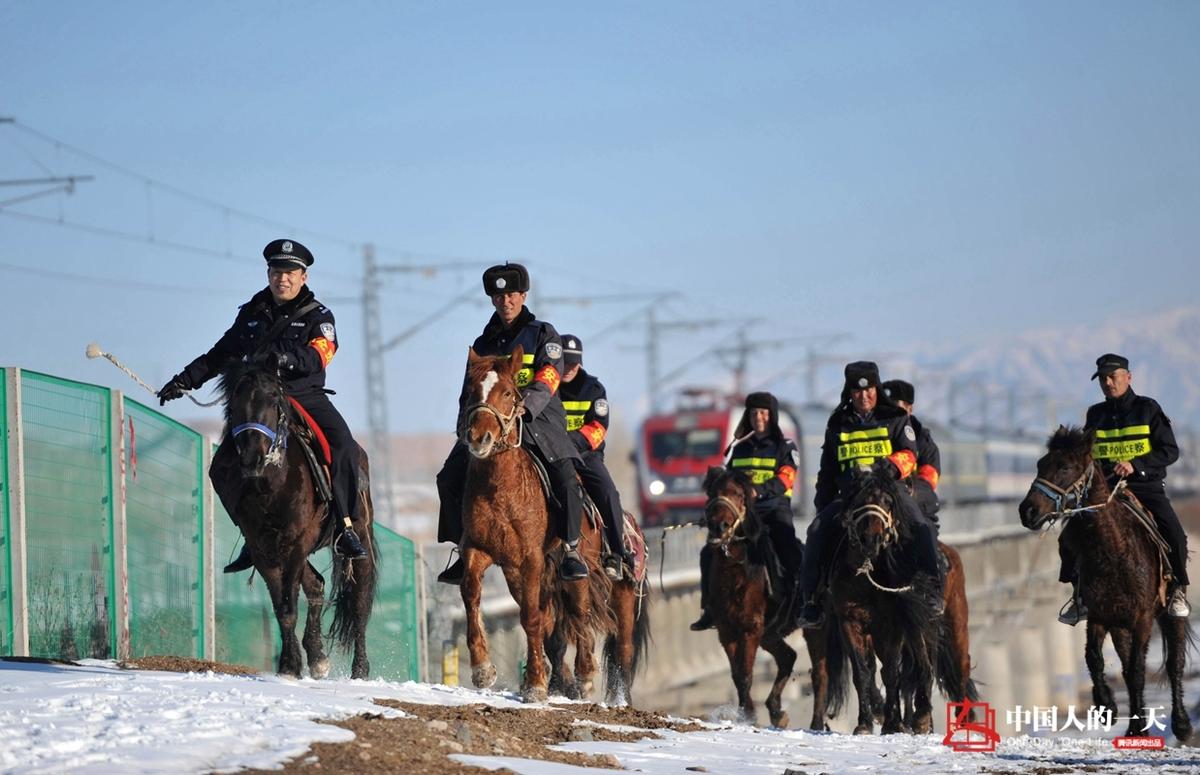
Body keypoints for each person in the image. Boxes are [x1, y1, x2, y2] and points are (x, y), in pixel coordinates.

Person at [157, 239, 367, 571]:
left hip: (302, 396)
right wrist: (184, 380)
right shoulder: (252, 313)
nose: (282, 278)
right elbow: (221, 353)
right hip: (258, 402)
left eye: (289, 272)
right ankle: (251, 536)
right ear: (268, 274)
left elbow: (323, 352)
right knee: (221, 466)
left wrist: (286, 358)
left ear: (303, 277)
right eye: (276, 271)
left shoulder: (318, 315)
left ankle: (345, 526)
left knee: (343, 446)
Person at [435, 262, 588, 584]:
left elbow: (549, 376)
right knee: (448, 477)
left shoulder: (544, 334)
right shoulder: (482, 343)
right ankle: (462, 550)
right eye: (499, 296)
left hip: (538, 418)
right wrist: (466, 425)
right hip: (492, 420)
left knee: (566, 476)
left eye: (512, 295)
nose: (506, 301)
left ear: (523, 296)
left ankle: (571, 548)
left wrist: (526, 406)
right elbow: (469, 391)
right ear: (492, 300)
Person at [796, 361, 942, 629]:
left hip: (889, 492)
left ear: (876, 389)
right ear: (849, 393)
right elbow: (827, 471)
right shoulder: (838, 425)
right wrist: (823, 506)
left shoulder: (897, 419)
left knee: (921, 526)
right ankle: (811, 601)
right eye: (857, 391)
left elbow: (909, 456)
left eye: (869, 390)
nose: (864, 396)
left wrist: (886, 468)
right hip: (851, 496)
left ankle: (932, 590)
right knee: (816, 531)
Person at [1058, 353, 1190, 625]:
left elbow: (1170, 451)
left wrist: (1136, 465)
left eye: (1113, 377)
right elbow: (1087, 456)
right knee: (1068, 536)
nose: (1108, 383)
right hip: (1106, 493)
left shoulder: (1148, 409)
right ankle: (1079, 596)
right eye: (1103, 379)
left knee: (1175, 534)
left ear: (1128, 377)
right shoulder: (1095, 414)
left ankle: (1177, 590)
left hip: (1146, 487)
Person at [691, 391, 803, 631]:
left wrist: (758, 491)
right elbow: (729, 480)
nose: (758, 418)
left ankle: (801, 601)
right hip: (745, 514)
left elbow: (786, 478)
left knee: (788, 547)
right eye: (754, 413)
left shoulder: (785, 447)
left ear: (771, 416)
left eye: (763, 413)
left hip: (775, 510)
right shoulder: (740, 448)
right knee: (708, 553)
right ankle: (709, 608)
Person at [558, 334, 635, 581]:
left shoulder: (594, 389)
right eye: (564, 362)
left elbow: (599, 427)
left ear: (580, 362)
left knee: (608, 493)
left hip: (586, 456)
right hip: (554, 456)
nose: (568, 368)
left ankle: (616, 552)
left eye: (573, 363)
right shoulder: (546, 389)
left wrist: (571, 443)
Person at [882, 379, 941, 525]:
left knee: (926, 535)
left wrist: (908, 491)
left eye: (894, 406)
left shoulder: (923, 440)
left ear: (909, 408)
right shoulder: (878, 433)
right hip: (880, 500)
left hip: (912, 502)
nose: (889, 411)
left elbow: (929, 479)